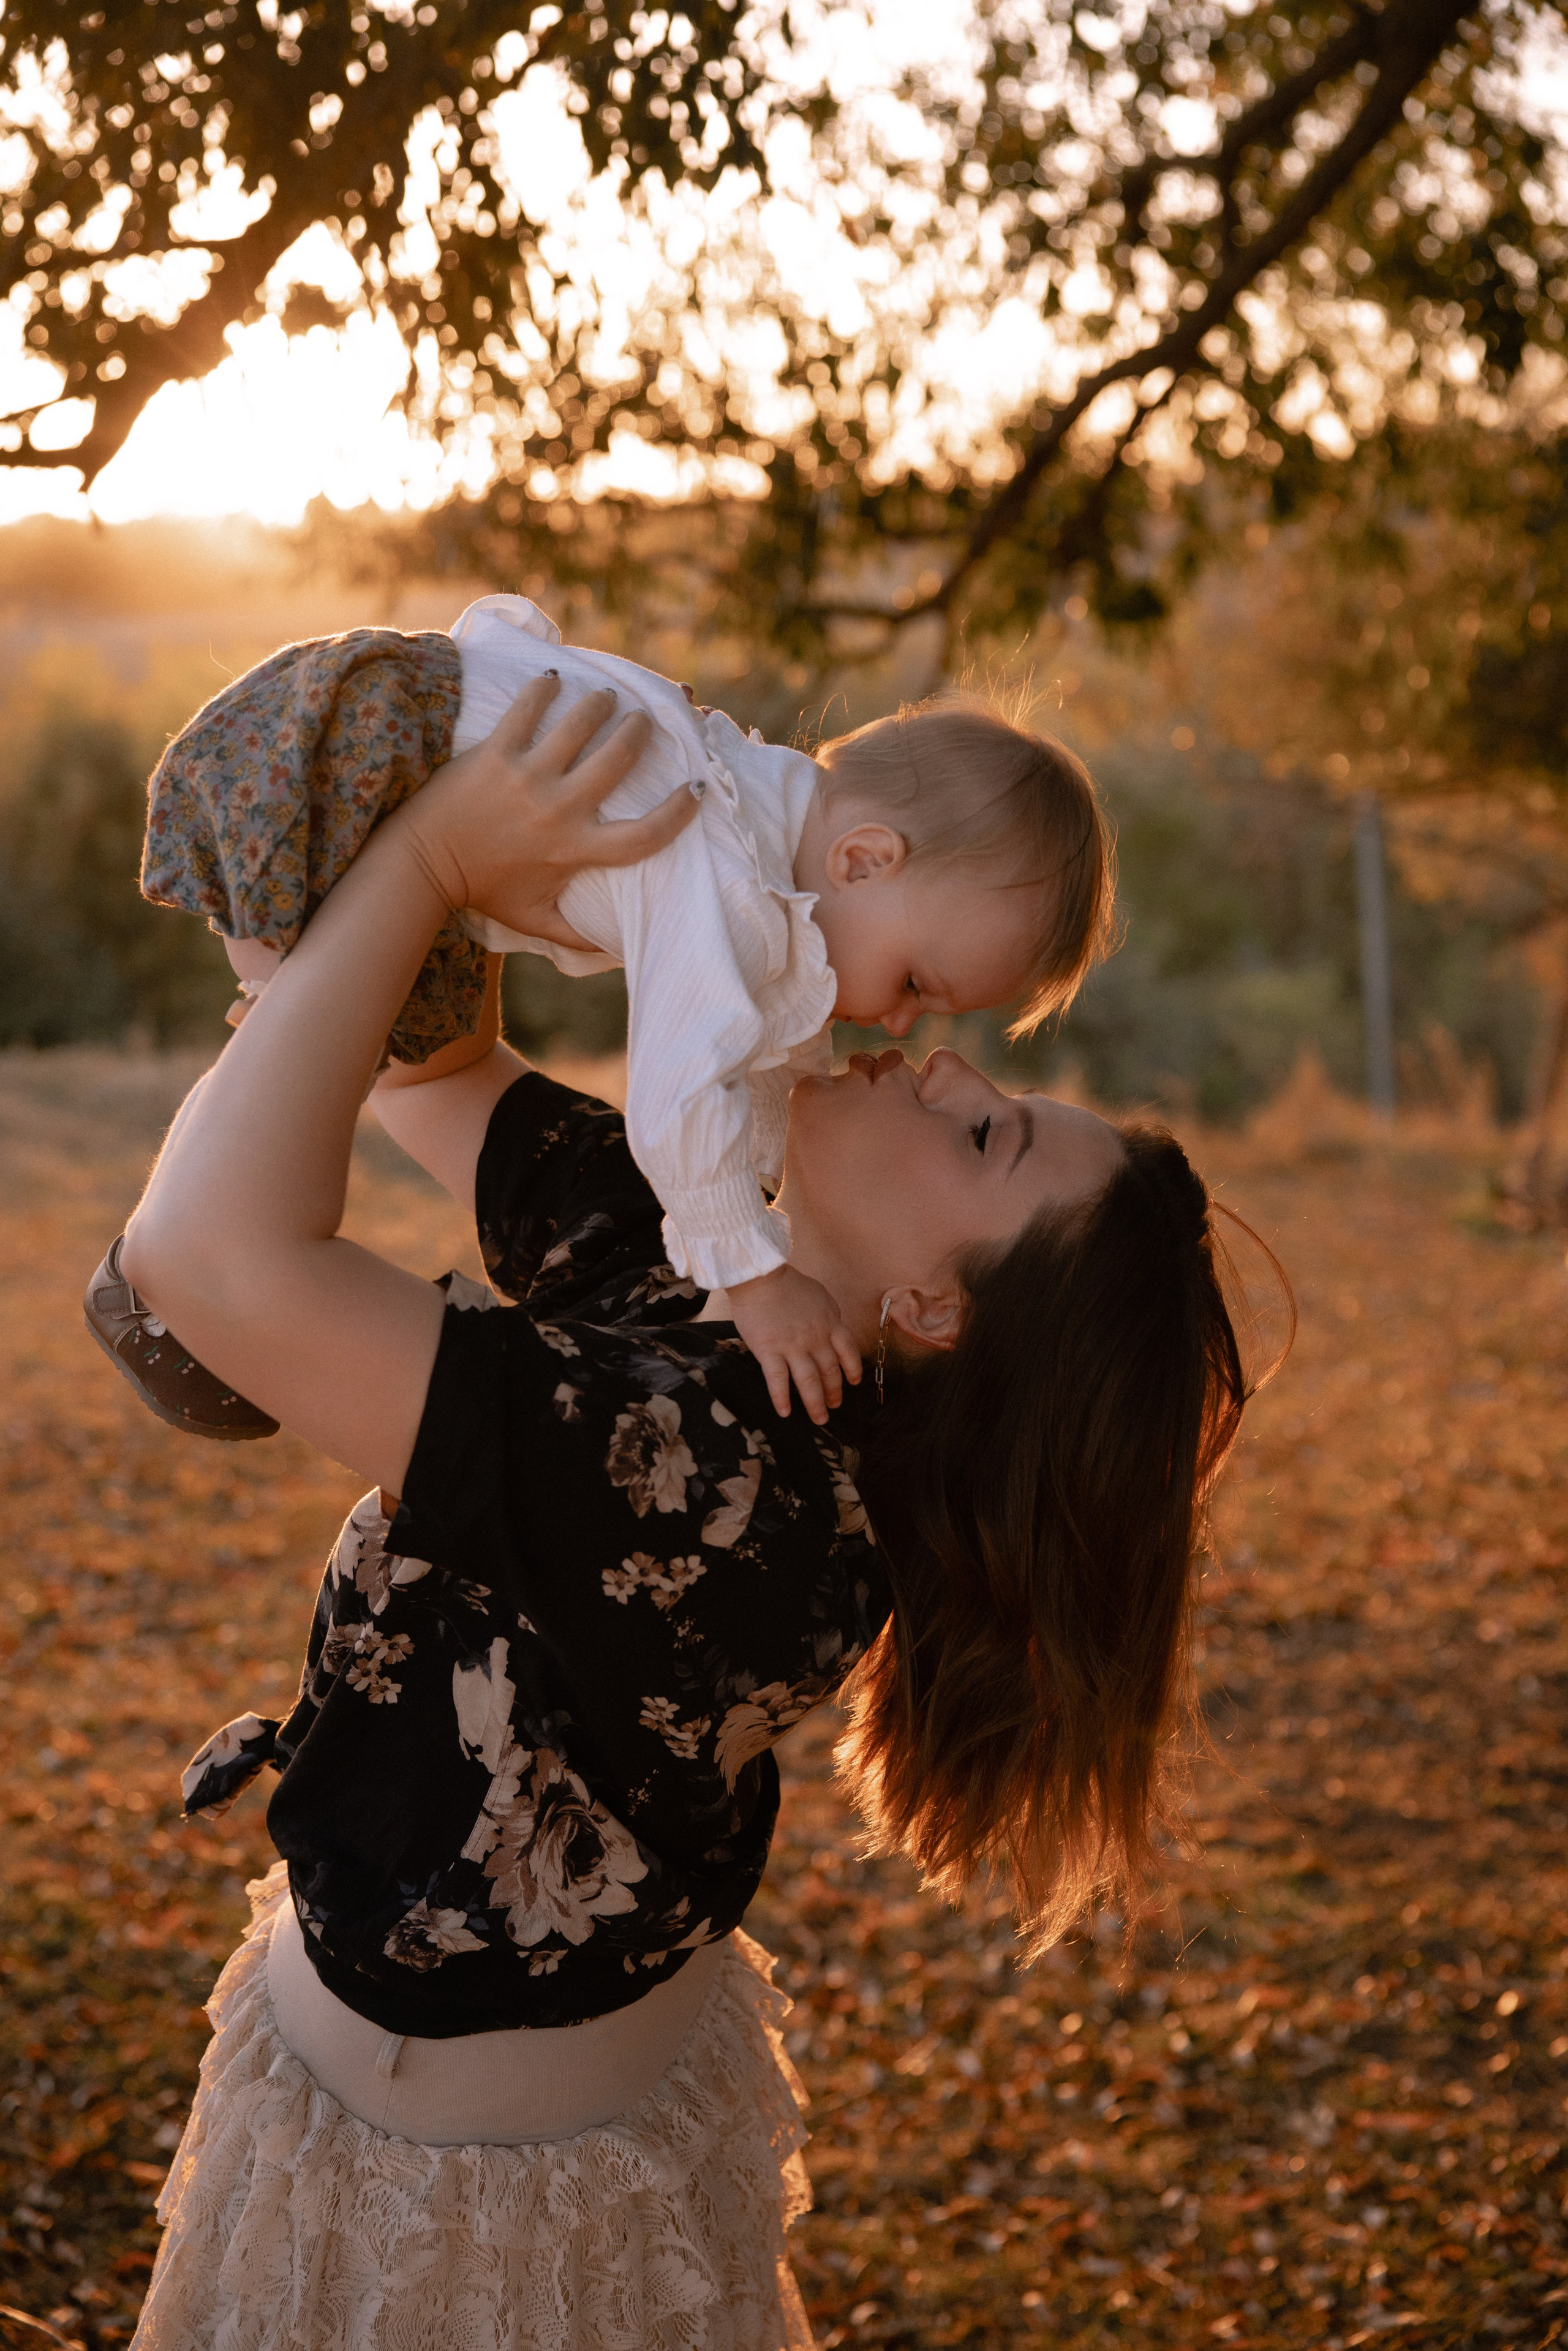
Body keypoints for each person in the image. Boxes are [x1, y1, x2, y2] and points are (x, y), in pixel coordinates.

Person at [119, 680, 1270, 2351]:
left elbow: (205, 1263)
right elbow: (436, 1072)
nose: (939, 1054)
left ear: (940, 1311)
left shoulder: (752, 1498)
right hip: (333, 2123)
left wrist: (434, 852)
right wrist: (556, 849)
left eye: (985, 1127)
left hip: (485, 2244)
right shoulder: (722, 1267)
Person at [89, 595, 1111, 1437]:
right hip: (357, 765)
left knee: (352, 1020)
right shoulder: (723, 878)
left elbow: (770, 1066)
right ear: (864, 859)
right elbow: (677, 1093)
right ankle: (166, 1305)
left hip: (378, 734)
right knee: (304, 1014)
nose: (901, 1031)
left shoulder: (756, 839)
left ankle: (175, 1293)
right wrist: (751, 1275)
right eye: (919, 984)